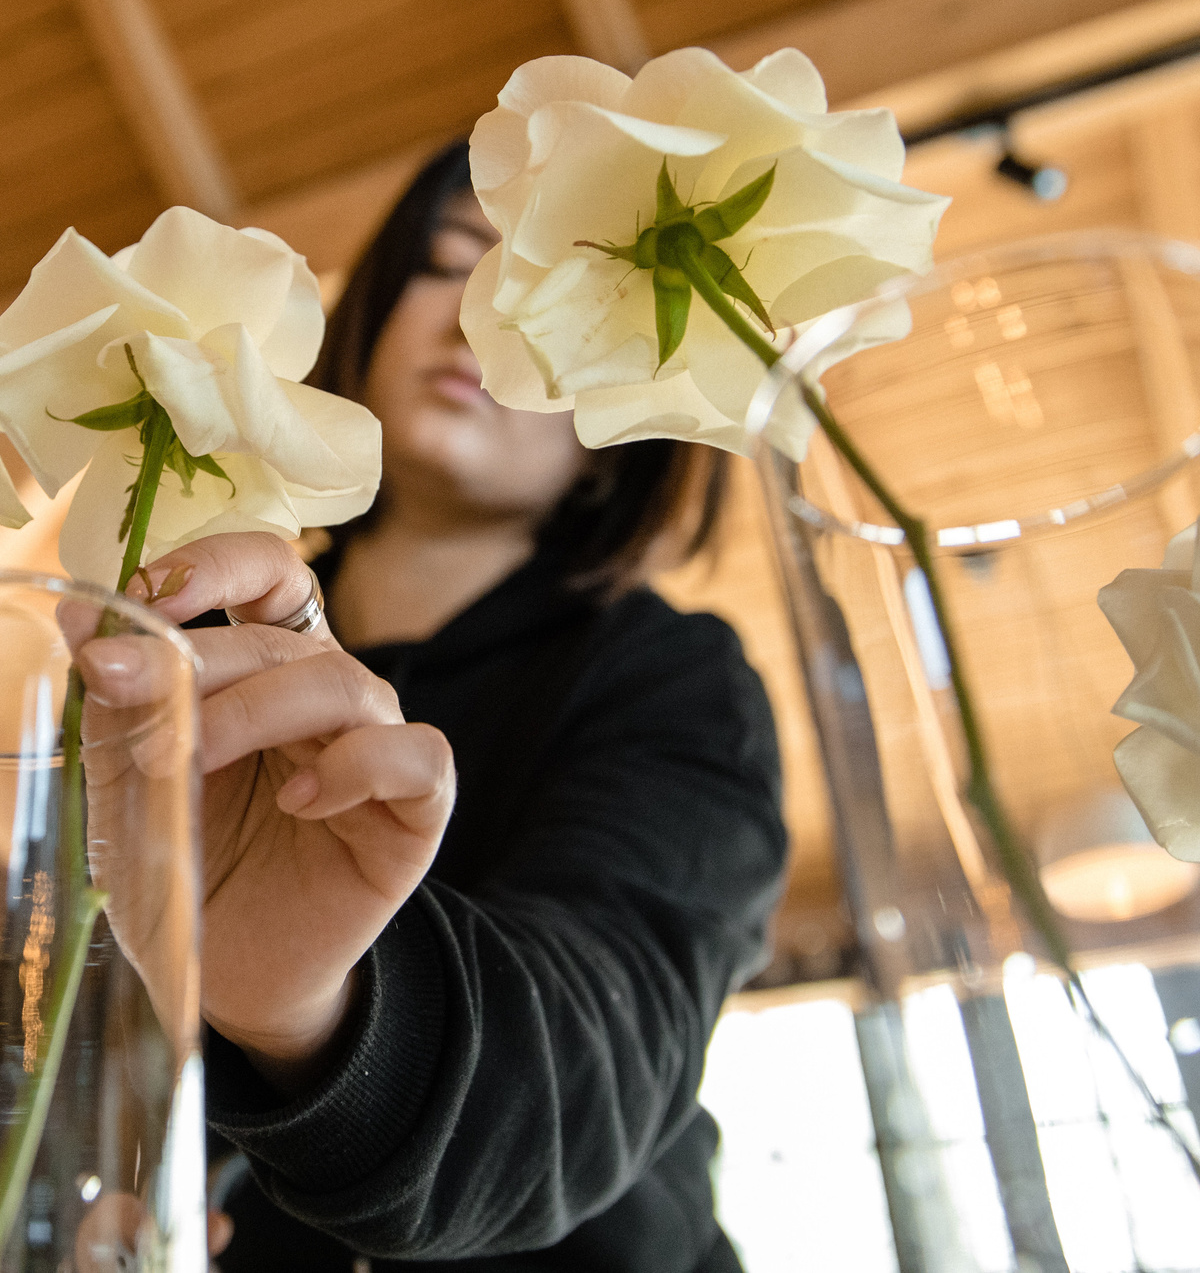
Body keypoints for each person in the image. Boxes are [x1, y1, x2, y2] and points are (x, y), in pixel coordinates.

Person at [101, 142, 788, 1271]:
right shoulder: (188, 660)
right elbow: (38, 1001)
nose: (483, 318)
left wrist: (318, 1008)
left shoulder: (673, 678)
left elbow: (598, 1060)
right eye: (455, 259)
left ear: (621, 430)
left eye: (556, 301)